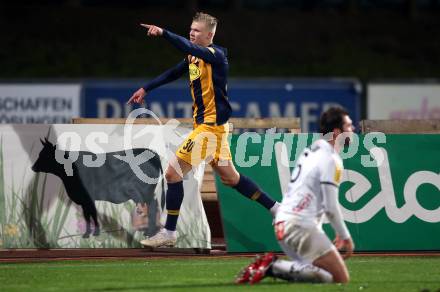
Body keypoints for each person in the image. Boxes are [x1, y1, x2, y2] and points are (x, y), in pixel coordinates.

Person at [127, 12, 279, 247]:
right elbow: (173, 73)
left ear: (209, 35)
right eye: (191, 29)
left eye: (197, 31)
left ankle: (169, 232)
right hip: (214, 130)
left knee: (172, 173)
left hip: (209, 129)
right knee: (232, 178)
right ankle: (276, 209)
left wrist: (164, 32)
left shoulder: (215, 55)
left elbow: (188, 47)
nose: (192, 33)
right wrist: (146, 88)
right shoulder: (193, 57)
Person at [236, 107, 355, 284]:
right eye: (349, 126)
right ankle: (272, 266)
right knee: (341, 278)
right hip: (300, 226)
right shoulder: (331, 159)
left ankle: (272, 266)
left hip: (283, 224)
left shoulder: (312, 150)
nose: (353, 130)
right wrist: (345, 236)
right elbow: (330, 207)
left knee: (323, 275)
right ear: (337, 131)